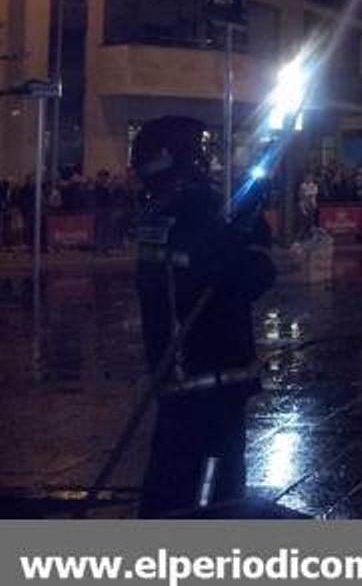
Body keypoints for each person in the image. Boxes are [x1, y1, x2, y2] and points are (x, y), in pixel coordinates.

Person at [132, 115, 275, 516]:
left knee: (167, 484)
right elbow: (249, 278)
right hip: (212, 384)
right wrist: (251, 236)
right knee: (213, 496)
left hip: (173, 378)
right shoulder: (202, 209)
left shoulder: (157, 214)